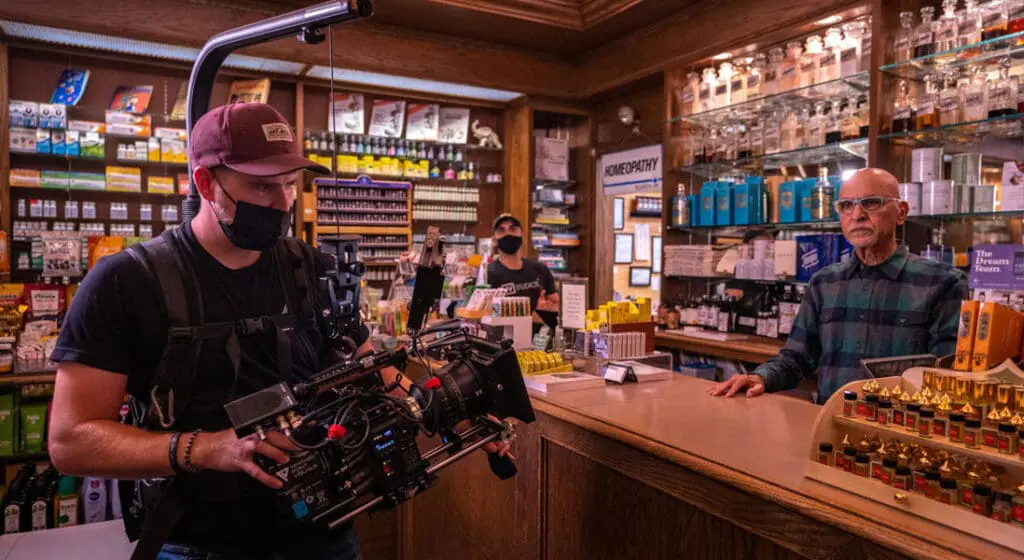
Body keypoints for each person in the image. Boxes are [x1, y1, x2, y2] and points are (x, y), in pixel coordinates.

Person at [47, 103, 507, 560]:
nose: (284, 203)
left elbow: (374, 370)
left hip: (324, 532)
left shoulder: (315, 269)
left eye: (290, 184)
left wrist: (451, 411)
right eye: (262, 186)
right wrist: (208, 449)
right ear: (206, 183)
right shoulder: (125, 283)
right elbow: (70, 441)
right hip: (198, 542)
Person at [709, 168, 968, 403]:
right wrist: (761, 378)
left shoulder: (942, 283)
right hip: (832, 431)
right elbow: (796, 358)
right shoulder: (824, 283)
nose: (857, 215)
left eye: (871, 203)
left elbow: (945, 379)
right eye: (846, 205)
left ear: (901, 212)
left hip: (900, 438)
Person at [486, 214, 560, 331]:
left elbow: (556, 306)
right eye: (501, 230)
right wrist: (529, 319)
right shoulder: (488, 274)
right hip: (505, 345)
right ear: (494, 240)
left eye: (513, 229)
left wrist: (546, 312)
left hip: (540, 345)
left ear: (522, 235)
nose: (508, 234)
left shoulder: (540, 269)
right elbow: (486, 317)